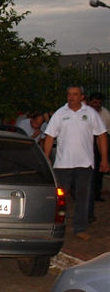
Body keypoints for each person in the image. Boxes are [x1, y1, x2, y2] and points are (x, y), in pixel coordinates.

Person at [43, 85, 109, 241]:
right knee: (58, 197)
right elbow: (49, 137)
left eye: (75, 94)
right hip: (63, 164)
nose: (71, 97)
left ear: (81, 97)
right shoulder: (60, 114)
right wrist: (46, 156)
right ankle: (54, 226)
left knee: (83, 197)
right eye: (69, 94)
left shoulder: (91, 114)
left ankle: (79, 228)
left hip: (84, 165)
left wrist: (104, 159)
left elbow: (102, 136)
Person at [88, 92, 110, 205]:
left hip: (100, 141)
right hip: (88, 141)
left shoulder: (105, 113)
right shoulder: (85, 112)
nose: (97, 105)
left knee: (99, 168)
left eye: (99, 103)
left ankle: (97, 192)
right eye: (95, 102)